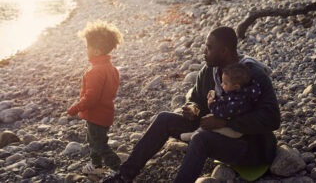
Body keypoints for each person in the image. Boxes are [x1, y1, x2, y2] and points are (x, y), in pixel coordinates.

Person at [102, 26, 280, 183]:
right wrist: (192, 108)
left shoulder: (251, 74)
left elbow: (272, 118)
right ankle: (124, 175)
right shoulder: (210, 70)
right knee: (164, 119)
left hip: (249, 147)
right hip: (215, 133)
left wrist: (225, 122)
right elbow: (195, 98)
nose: (204, 52)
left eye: (209, 48)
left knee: (200, 139)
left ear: (224, 51)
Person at [67, 20, 123, 175]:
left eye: (87, 47)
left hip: (96, 116)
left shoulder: (95, 72)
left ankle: (119, 168)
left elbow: (91, 98)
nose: (86, 50)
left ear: (97, 51)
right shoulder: (111, 69)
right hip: (105, 114)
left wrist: (75, 108)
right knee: (93, 141)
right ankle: (96, 165)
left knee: (99, 145)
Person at [180, 63, 262, 140]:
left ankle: (195, 136)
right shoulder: (236, 93)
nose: (222, 85)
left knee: (210, 127)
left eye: (225, 83)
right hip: (232, 126)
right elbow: (196, 97)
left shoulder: (239, 101)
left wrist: (211, 104)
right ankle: (195, 134)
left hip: (235, 131)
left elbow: (222, 112)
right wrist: (193, 107)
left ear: (236, 86)